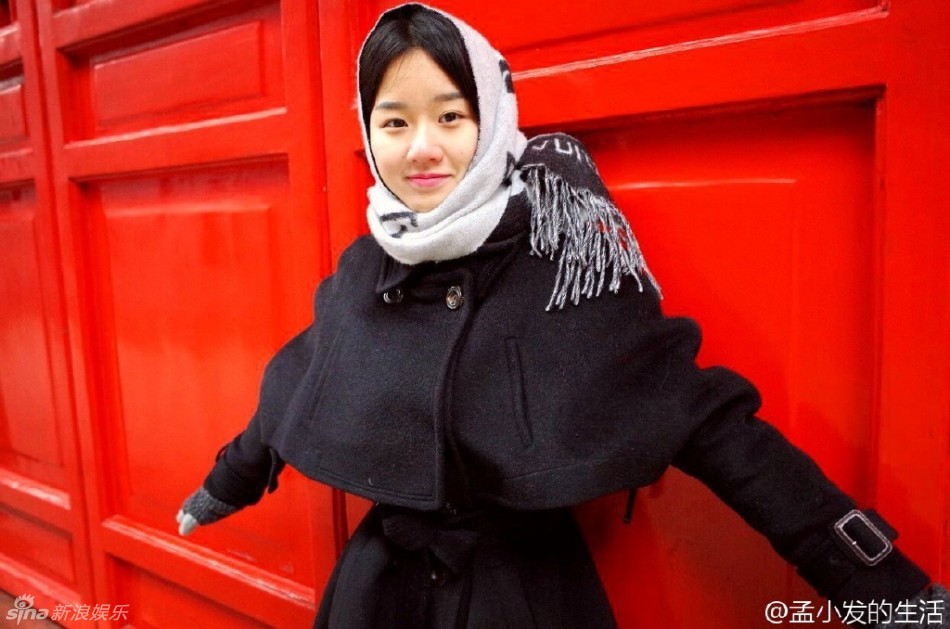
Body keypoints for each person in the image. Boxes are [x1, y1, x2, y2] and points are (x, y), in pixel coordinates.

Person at [176, 4, 948, 627]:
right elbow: (298, 377)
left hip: (520, 596)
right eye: (395, 121)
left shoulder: (566, 255)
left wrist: (886, 588)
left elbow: (716, 429)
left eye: (451, 116)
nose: (422, 148)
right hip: (377, 592)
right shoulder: (365, 265)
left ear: (492, 117)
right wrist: (226, 482)